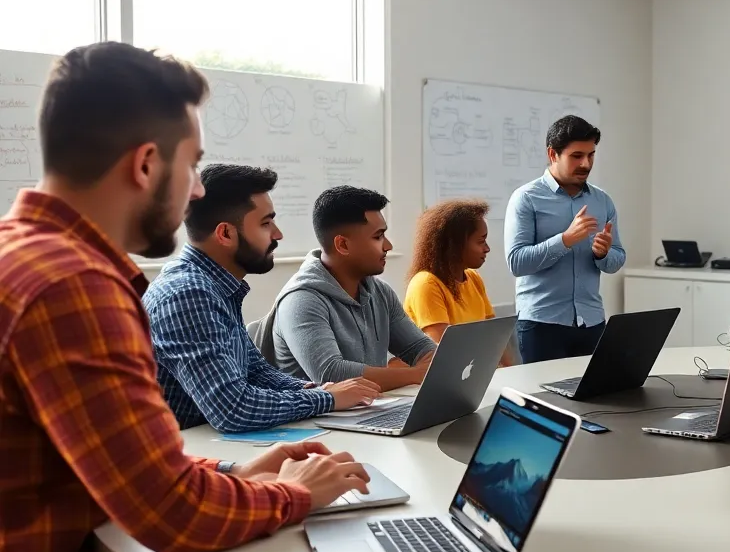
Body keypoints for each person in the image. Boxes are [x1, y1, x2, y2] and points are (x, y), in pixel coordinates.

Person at [0, 41, 387, 552]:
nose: (199, 187)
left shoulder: (24, 255)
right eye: (195, 164)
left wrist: (235, 476)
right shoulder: (74, 289)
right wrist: (299, 494)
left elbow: (125, 469)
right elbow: (173, 520)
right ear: (147, 165)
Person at [144, 165, 379, 432]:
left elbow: (255, 372)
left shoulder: (214, 286)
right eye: (266, 223)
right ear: (225, 234)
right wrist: (326, 399)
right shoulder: (188, 294)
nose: (278, 234)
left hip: (208, 445)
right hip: (180, 458)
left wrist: (316, 389)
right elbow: (233, 409)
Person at [263, 186, 436, 390]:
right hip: (316, 420)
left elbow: (420, 348)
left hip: (369, 410)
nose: (388, 245)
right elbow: (331, 373)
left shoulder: (380, 292)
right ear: (343, 245)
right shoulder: (301, 300)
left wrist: (434, 363)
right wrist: (415, 375)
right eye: (378, 236)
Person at [504, 115, 625, 363]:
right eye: (576, 156)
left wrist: (603, 255)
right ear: (553, 154)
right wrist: (565, 240)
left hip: (591, 322)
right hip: (541, 325)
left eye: (591, 155)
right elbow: (516, 262)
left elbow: (617, 259)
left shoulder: (602, 201)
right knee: (543, 401)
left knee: (593, 399)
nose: (586, 163)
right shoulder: (526, 198)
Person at [404, 198, 510, 365]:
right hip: (451, 376)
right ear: (455, 245)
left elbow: (494, 338)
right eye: (481, 241)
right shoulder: (426, 283)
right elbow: (443, 352)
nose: (487, 248)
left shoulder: (473, 278)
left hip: (475, 372)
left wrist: (511, 374)